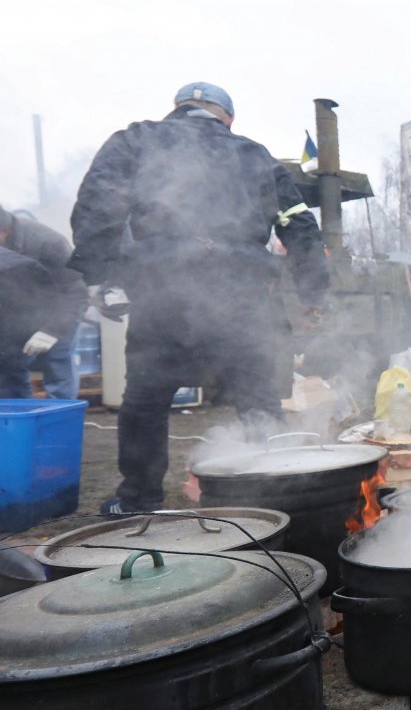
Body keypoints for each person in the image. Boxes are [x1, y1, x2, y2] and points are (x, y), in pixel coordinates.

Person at [69, 82, 330, 515]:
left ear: (178, 109)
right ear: (227, 117)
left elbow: (98, 205)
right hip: (242, 293)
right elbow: (300, 227)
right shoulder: (255, 155)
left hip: (164, 289)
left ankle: (139, 503)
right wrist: (312, 294)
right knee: (258, 400)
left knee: (147, 401)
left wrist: (101, 278)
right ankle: (277, 500)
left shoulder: (136, 139)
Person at [0, 205, 88, 399]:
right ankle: (18, 420)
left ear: (4, 232)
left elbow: (75, 291)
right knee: (8, 364)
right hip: (22, 311)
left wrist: (51, 332)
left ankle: (60, 420)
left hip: (62, 306)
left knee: (56, 361)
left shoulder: (47, 242)